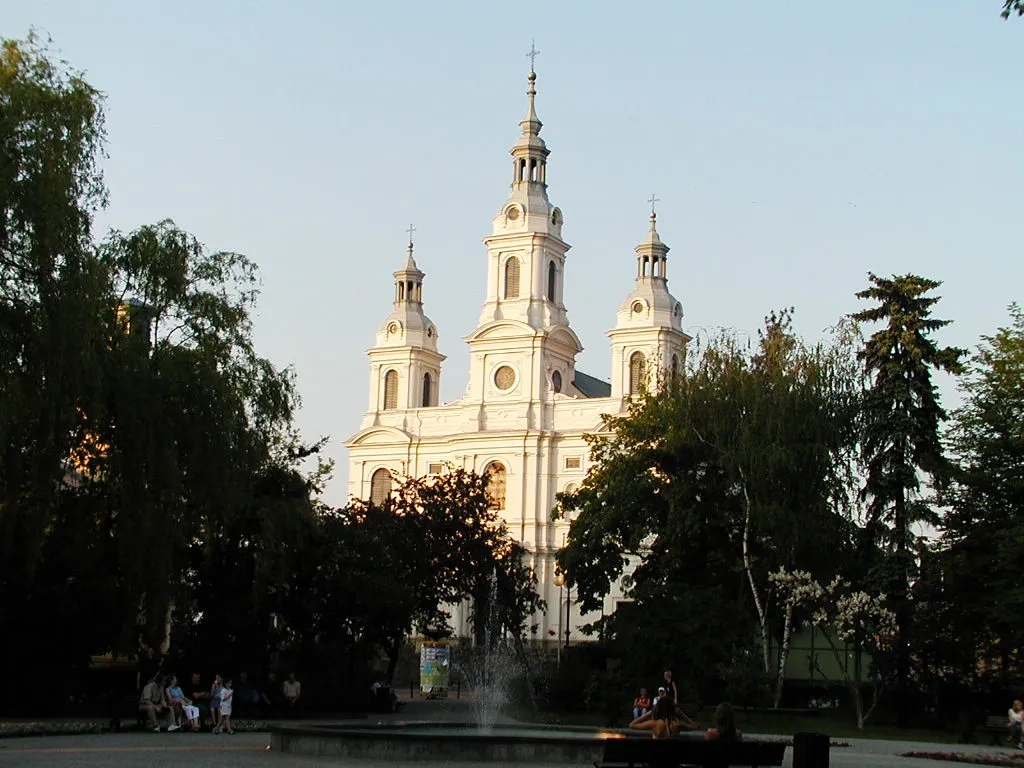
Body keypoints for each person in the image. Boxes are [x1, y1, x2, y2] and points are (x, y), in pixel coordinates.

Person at [629, 692, 695, 739]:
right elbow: (694, 726)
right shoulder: (677, 724)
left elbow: (631, 725)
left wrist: (648, 714)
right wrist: (681, 714)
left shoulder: (654, 723)